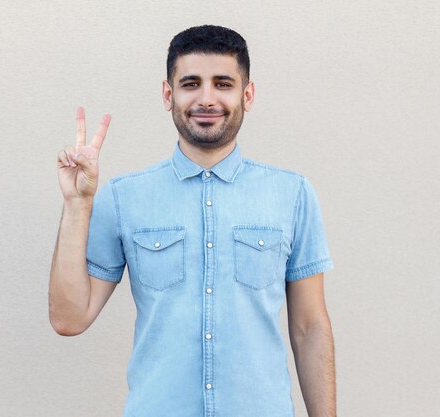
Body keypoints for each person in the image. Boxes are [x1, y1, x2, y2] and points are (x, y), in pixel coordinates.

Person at [49, 24, 336, 417]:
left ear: (247, 95)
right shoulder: (123, 198)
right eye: (190, 84)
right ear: (168, 95)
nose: (206, 99)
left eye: (222, 84)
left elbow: (309, 328)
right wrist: (77, 204)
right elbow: (69, 318)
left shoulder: (293, 195)